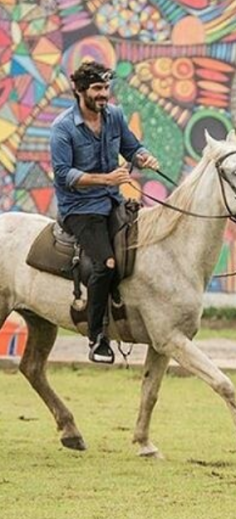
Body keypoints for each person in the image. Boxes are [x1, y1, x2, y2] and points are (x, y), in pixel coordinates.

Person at [50, 60, 159, 364]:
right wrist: (107, 179)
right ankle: (98, 337)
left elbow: (131, 147)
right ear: (79, 90)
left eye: (106, 88)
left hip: (112, 201)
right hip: (79, 209)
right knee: (106, 264)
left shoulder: (114, 116)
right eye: (97, 88)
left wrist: (144, 156)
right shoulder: (62, 128)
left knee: (141, 249)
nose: (103, 94)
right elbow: (64, 175)